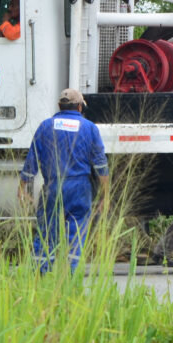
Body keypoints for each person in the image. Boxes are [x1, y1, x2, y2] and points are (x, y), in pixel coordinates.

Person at [19, 88, 108, 272]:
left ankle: (40, 277)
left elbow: (32, 160)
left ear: (60, 106)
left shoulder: (45, 126)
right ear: (79, 107)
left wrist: (22, 187)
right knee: (76, 235)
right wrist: (104, 196)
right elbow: (100, 165)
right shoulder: (90, 128)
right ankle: (71, 277)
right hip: (80, 188)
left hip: (52, 186)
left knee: (46, 233)